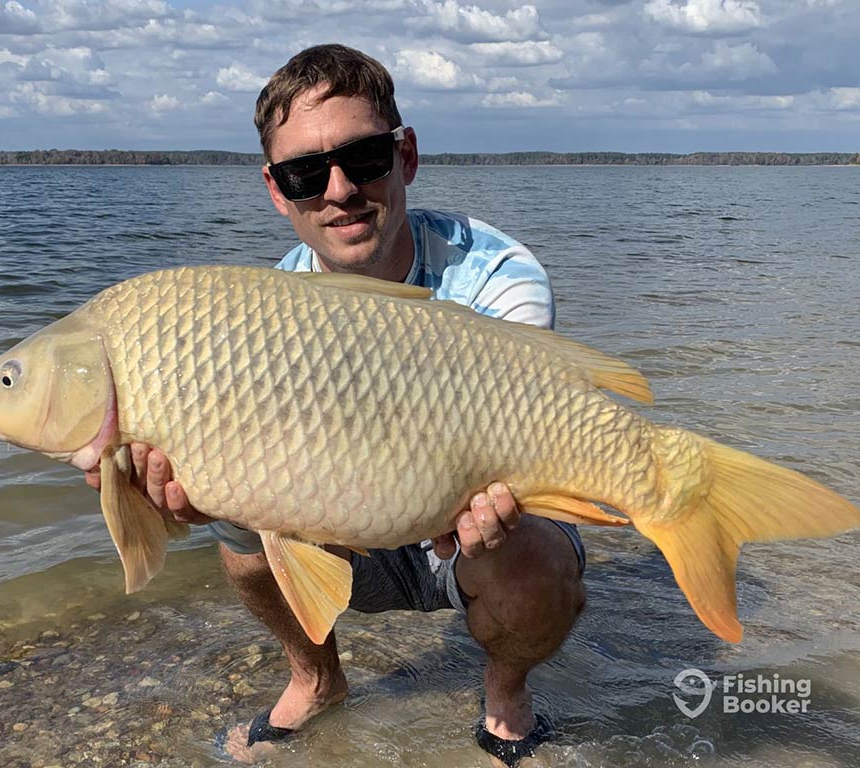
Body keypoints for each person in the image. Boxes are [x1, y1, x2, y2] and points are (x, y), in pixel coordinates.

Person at [88, 44, 585, 767]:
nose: (340, 188)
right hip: (357, 523)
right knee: (234, 516)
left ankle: (507, 696)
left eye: (365, 158)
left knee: (534, 554)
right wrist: (188, 492)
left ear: (405, 154)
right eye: (305, 173)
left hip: (477, 526)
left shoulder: (500, 275)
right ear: (276, 189)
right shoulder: (267, 309)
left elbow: (505, 442)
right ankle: (317, 679)